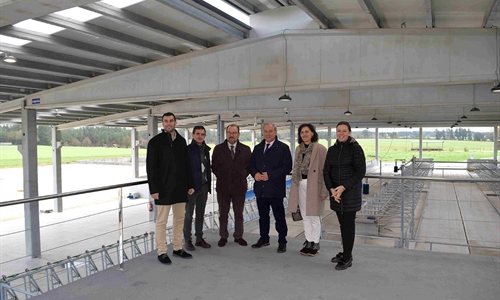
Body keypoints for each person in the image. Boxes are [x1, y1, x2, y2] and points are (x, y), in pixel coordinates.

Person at [146, 112, 195, 264]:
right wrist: (153, 189)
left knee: (179, 219)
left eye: (171, 121)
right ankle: (161, 251)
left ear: (175, 122)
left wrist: (190, 184)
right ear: (162, 123)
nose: (168, 123)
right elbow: (151, 167)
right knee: (161, 221)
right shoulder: (155, 142)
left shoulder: (181, 141)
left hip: (180, 188)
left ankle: (177, 248)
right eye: (166, 121)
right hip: (163, 189)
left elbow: (187, 165)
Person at [323, 121, 366, 270]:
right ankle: (346, 252)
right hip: (336, 194)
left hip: (350, 194)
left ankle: (347, 258)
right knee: (342, 225)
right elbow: (326, 171)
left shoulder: (356, 149)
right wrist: (332, 189)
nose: (341, 133)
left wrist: (343, 187)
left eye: (344, 131)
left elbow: (360, 172)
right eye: (338, 131)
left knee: (348, 226)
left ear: (349, 132)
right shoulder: (332, 150)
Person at [250, 123, 292, 253]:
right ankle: (264, 238)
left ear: (275, 132)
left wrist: (271, 175)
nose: (268, 134)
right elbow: (251, 164)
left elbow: (287, 167)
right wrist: (255, 174)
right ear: (263, 132)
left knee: (279, 217)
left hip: (275, 189)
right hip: (260, 189)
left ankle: (282, 241)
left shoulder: (283, 148)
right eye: (266, 131)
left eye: (270, 131)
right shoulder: (257, 148)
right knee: (263, 216)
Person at [288, 124, 328, 257]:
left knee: (314, 215)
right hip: (299, 184)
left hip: (314, 185)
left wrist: (324, 191)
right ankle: (309, 240)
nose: (304, 134)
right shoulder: (298, 149)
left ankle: (316, 243)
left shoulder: (320, 149)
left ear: (312, 133)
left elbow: (325, 171)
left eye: (307, 132)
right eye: (302, 132)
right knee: (305, 215)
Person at [211, 124, 252, 247]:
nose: (231, 135)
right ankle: (223, 236)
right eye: (229, 132)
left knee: (238, 213)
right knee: (223, 213)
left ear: (238, 134)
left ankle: (238, 236)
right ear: (226, 134)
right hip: (223, 187)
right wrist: (225, 177)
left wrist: (239, 176)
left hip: (239, 187)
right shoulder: (218, 149)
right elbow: (214, 168)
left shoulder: (245, 149)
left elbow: (248, 167)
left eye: (234, 133)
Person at [183, 126, 212, 251]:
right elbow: (184, 169)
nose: (200, 136)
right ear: (193, 135)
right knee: (189, 215)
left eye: (202, 134)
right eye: (198, 134)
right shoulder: (188, 150)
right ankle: (187, 240)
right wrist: (188, 185)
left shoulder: (206, 149)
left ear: (205, 136)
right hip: (192, 189)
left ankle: (199, 238)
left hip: (203, 187)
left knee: (200, 214)